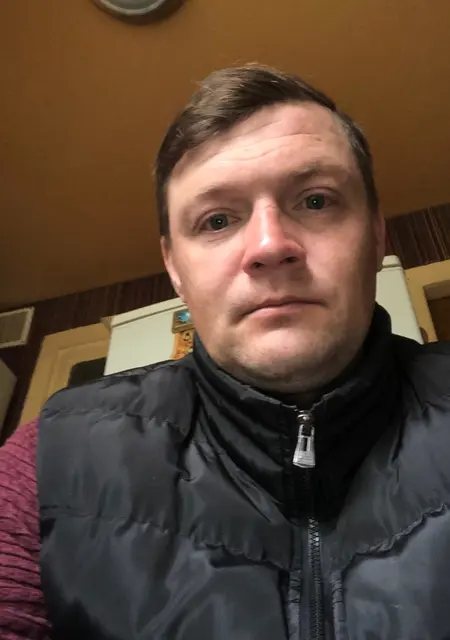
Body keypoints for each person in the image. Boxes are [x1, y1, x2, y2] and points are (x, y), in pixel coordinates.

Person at [1, 64, 450, 640]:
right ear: (174, 268)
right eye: (216, 220)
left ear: (376, 235)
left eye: (316, 201)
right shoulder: (49, 459)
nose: (270, 245)